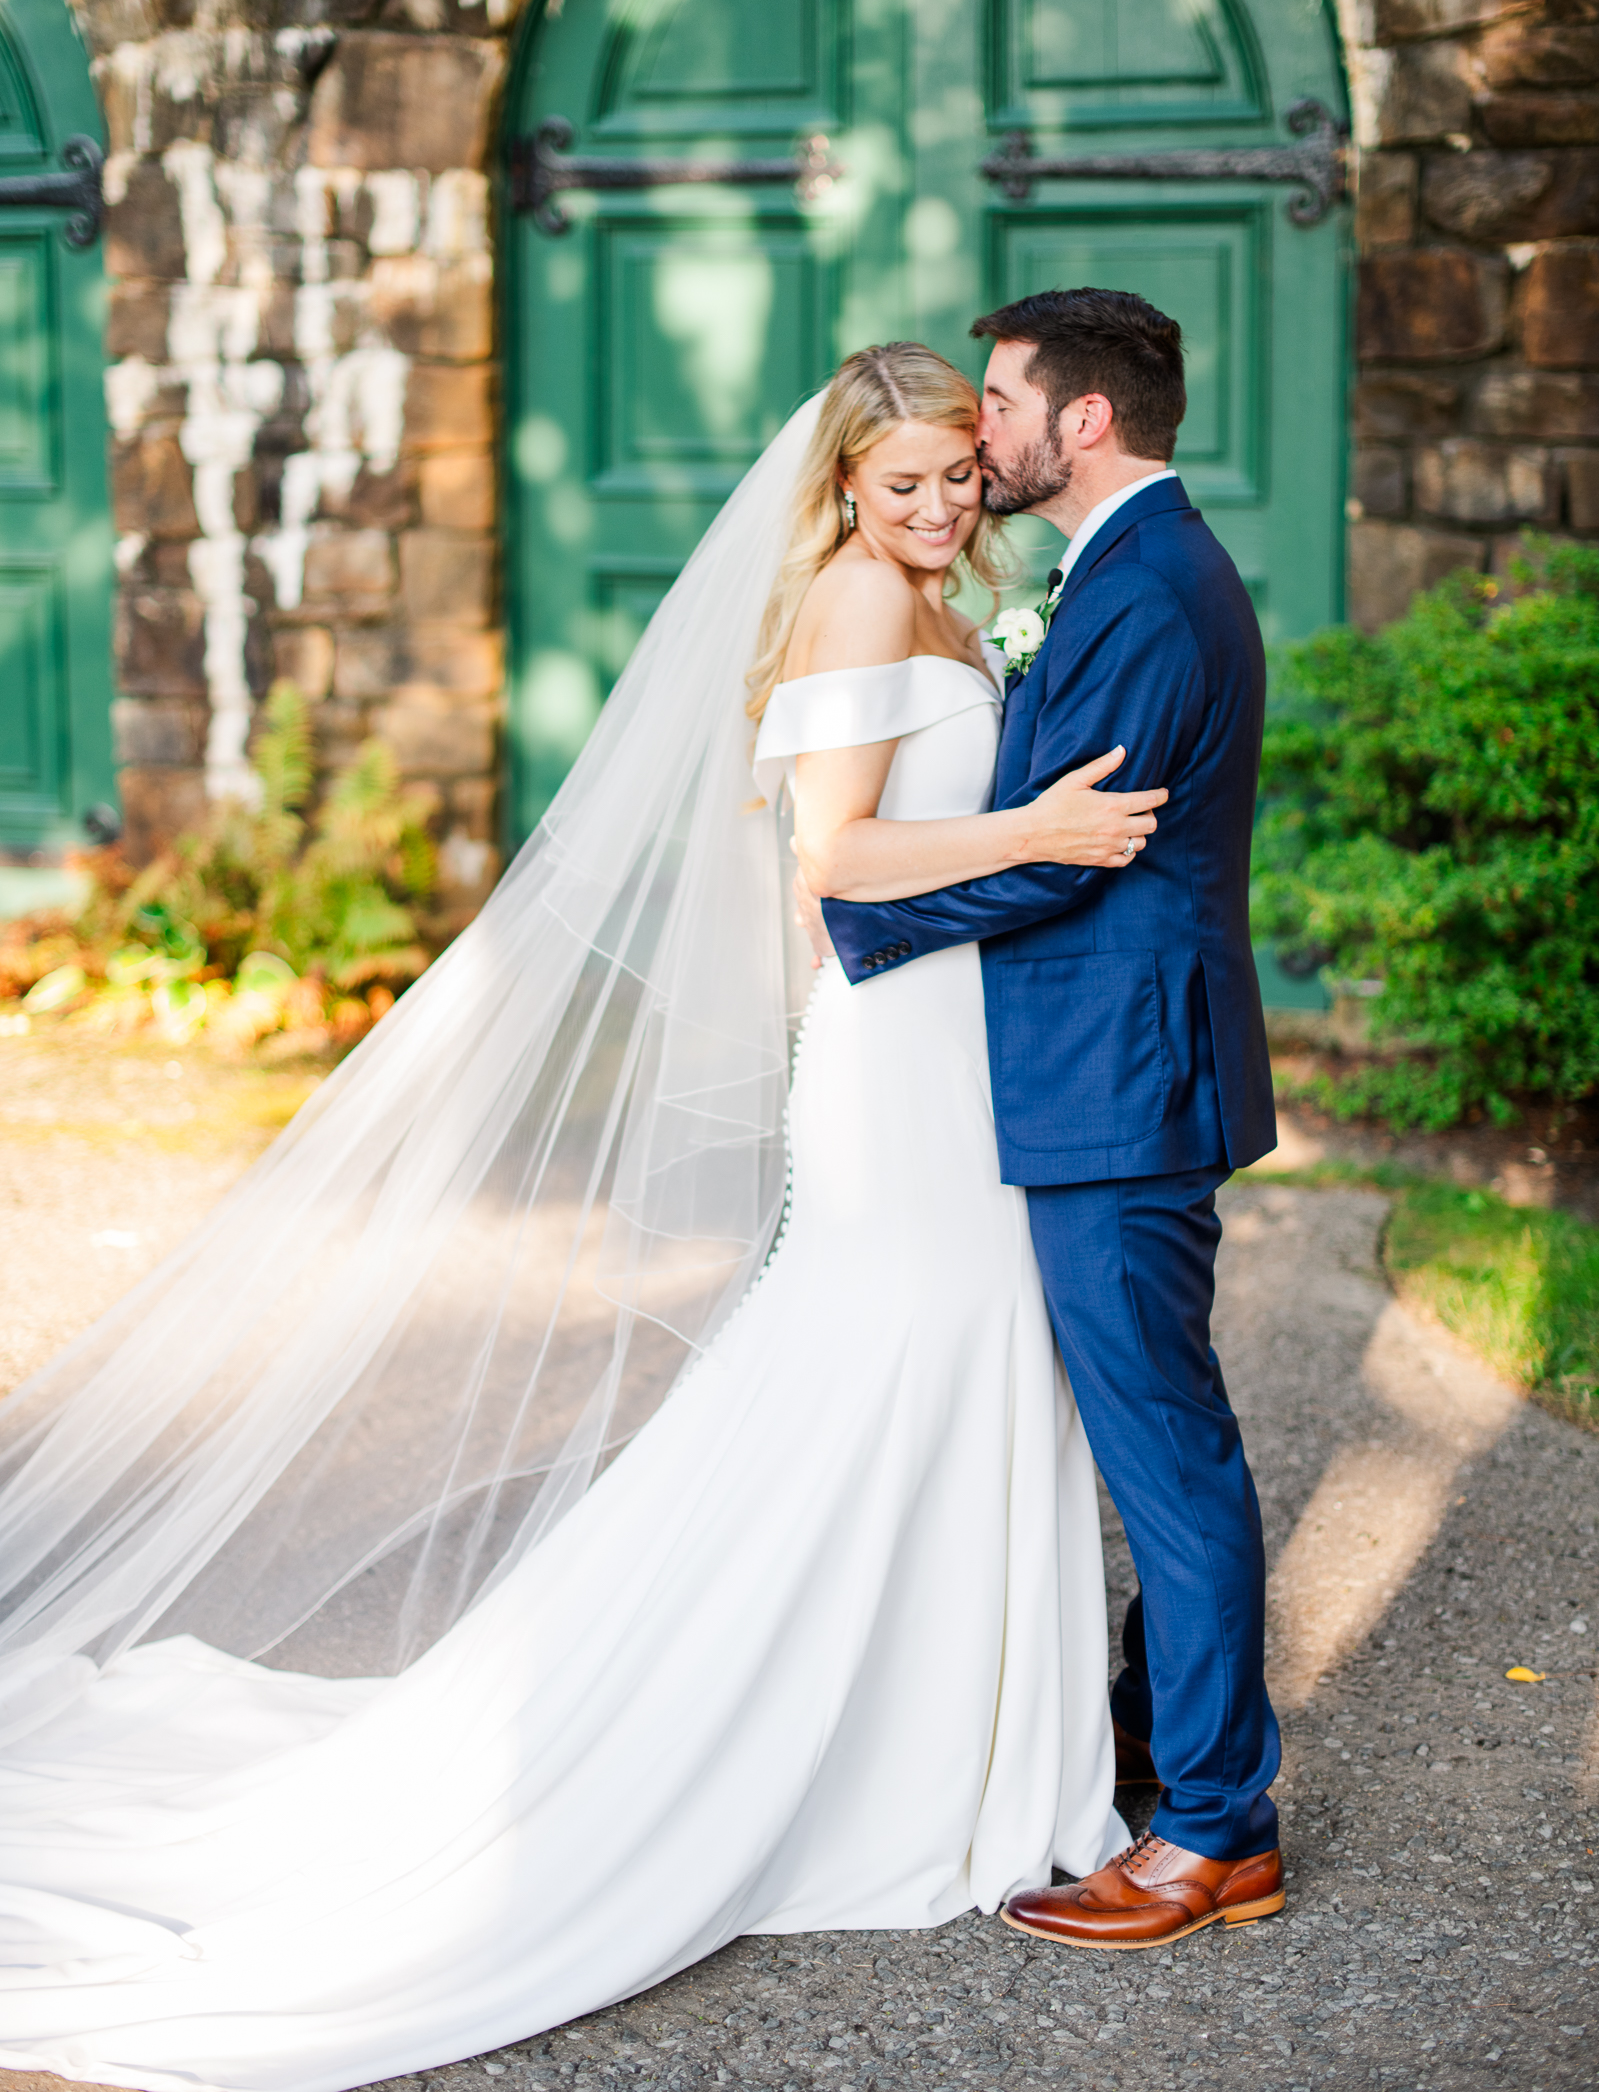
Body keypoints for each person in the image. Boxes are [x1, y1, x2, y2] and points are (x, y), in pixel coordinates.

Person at [0, 344, 1164, 2092]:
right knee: (906, 1362)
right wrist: (1046, 826)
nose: (935, 508)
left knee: (970, 1366)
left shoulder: (932, 605)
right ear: (844, 483)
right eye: (902, 482)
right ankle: (845, 1752)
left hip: (954, 1050)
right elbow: (832, 858)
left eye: (952, 480)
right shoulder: (857, 607)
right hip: (899, 1058)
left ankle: (963, 1747)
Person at [817, 289, 1285, 1951]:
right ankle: (1162, 1742)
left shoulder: (1149, 593)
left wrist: (852, 930)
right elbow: (1046, 828)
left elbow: (1058, 849)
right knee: (1160, 1431)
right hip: (1101, 1065)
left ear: (1081, 420)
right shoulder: (1119, 574)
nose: (982, 432)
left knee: (1167, 1445)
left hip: (1119, 1078)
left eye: (1003, 403)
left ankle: (1217, 1829)